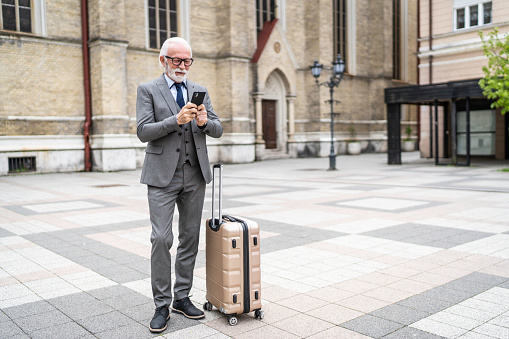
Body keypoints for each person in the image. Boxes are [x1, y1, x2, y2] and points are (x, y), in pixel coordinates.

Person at [136, 37, 223, 333]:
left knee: (190, 238)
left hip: (195, 175)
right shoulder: (148, 90)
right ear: (163, 61)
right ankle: (162, 303)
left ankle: (182, 297)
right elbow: (142, 131)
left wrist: (203, 123)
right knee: (161, 238)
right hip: (161, 176)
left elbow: (219, 128)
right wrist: (175, 120)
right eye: (177, 60)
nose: (183, 66)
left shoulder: (200, 90)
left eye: (187, 61)